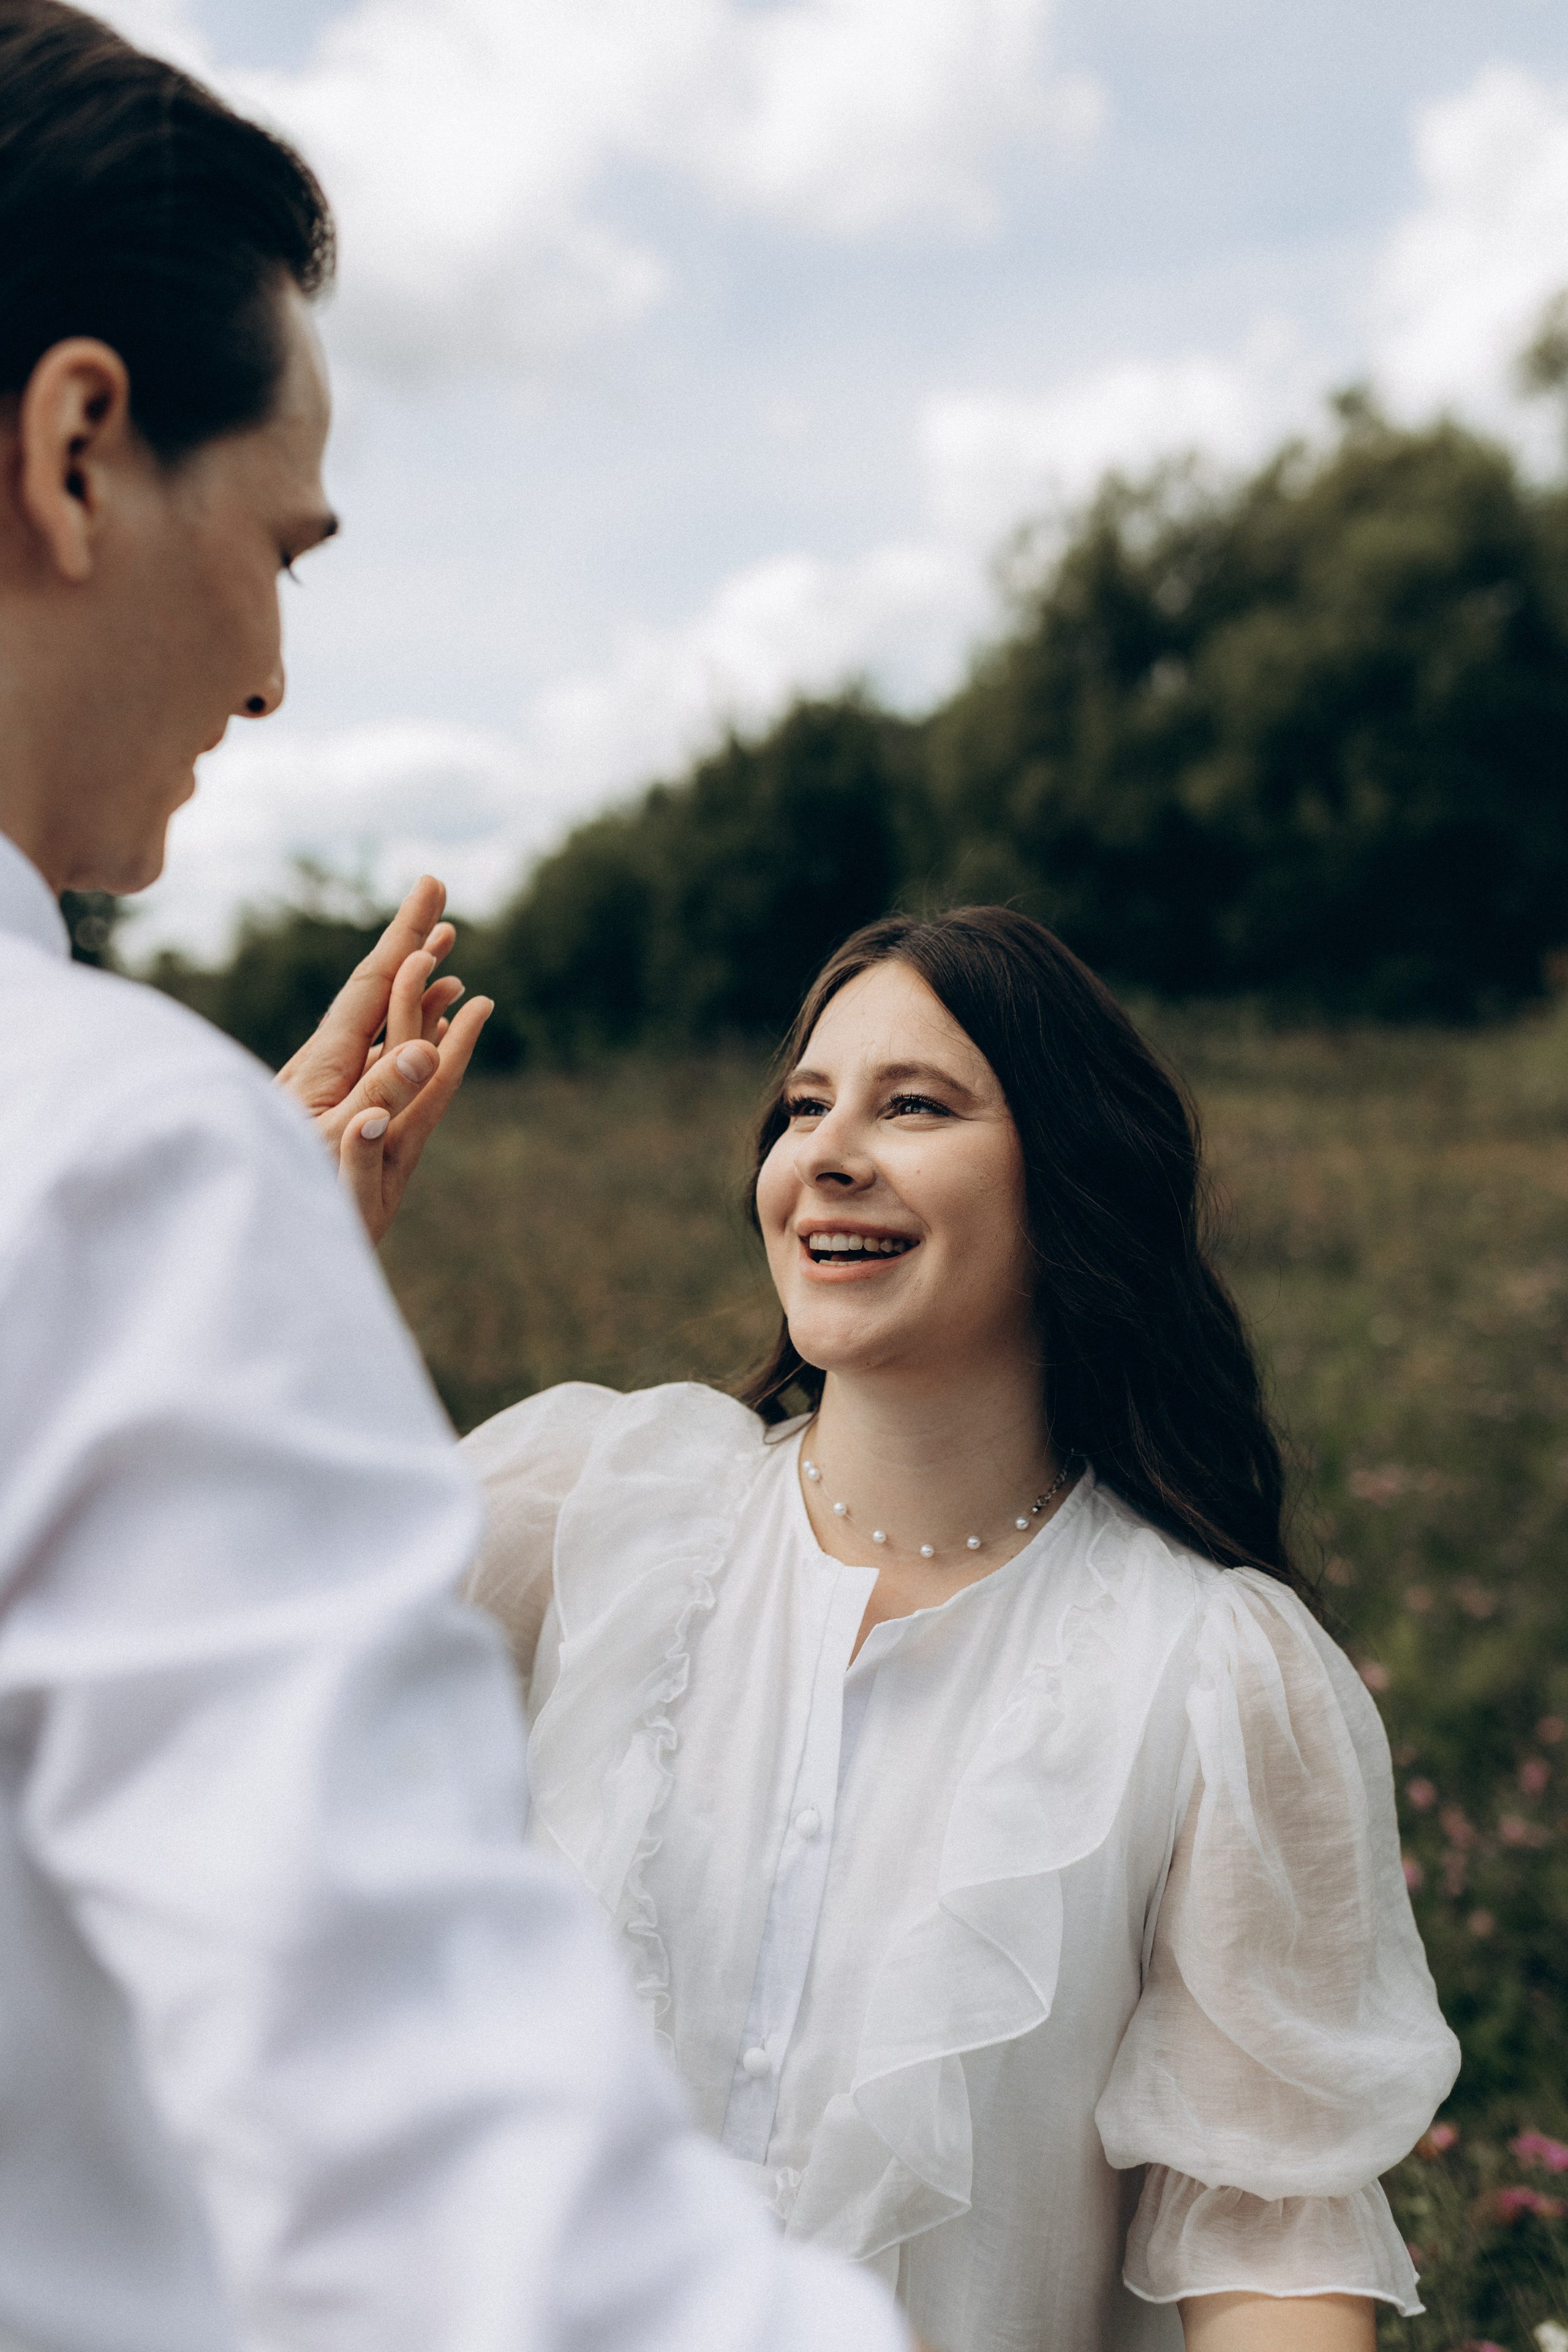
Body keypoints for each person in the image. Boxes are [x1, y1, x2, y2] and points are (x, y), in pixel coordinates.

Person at [0, 7, 911, 2350]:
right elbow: (454, 2212)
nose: (278, 673)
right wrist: (173, 1248)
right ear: (79, 450)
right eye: (279, 545)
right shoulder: (102, 1160)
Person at [462, 907, 1462, 2352]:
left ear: (1066, 1183)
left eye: (912, 1105)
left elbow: (1265, 2228)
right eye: (804, 1108)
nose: (827, 1153)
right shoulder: (582, 1515)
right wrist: (270, 1252)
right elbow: (180, 1688)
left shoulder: (1211, 1676)